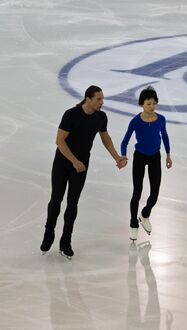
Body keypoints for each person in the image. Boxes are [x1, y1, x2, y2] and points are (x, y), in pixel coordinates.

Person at [40, 85, 127, 259]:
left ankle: (66, 242)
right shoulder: (71, 115)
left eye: (102, 99)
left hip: (81, 166)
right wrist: (74, 161)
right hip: (63, 163)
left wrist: (117, 157)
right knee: (56, 200)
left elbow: (105, 138)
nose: (102, 102)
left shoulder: (101, 117)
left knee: (72, 203)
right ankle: (48, 234)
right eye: (99, 99)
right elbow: (59, 141)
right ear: (88, 99)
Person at [120, 86, 172, 241]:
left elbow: (165, 136)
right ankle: (133, 224)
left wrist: (168, 155)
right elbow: (125, 140)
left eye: (154, 103)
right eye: (148, 104)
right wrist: (123, 155)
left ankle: (145, 214)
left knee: (154, 194)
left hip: (155, 157)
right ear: (142, 104)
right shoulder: (136, 121)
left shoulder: (161, 119)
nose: (152, 106)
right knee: (137, 192)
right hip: (140, 157)